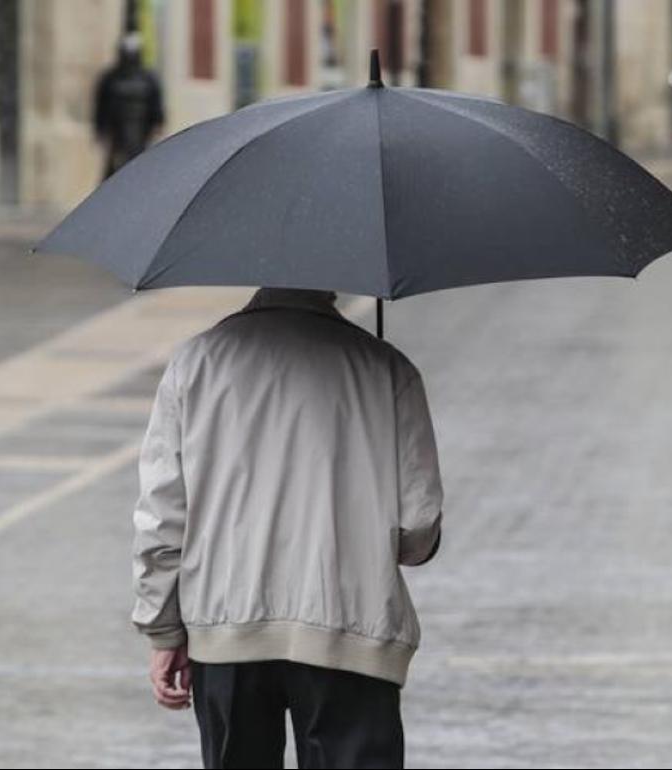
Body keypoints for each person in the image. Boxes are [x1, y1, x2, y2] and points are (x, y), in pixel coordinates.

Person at [132, 288, 443, 769]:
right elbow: (418, 529)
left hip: (226, 629)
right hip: (350, 632)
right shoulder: (386, 368)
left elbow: (162, 515)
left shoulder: (194, 363)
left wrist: (164, 631)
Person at [94, 34, 165, 179]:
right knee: (114, 168)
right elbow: (101, 104)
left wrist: (158, 122)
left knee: (140, 165)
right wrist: (100, 128)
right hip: (117, 132)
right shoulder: (111, 77)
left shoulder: (147, 78)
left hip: (140, 131)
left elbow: (155, 103)